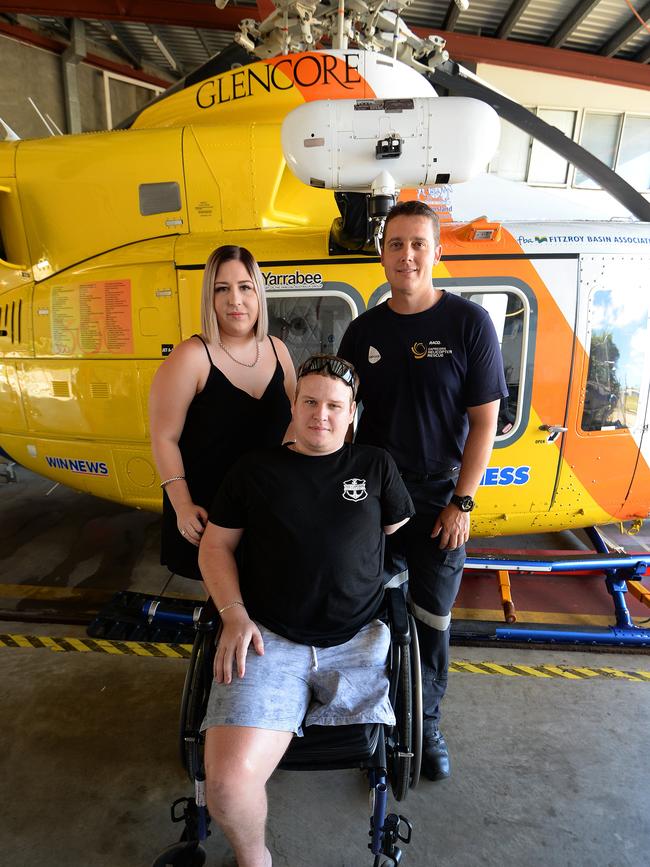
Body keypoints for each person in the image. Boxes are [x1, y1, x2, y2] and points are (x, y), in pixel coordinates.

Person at [198, 355, 414, 867]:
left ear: (352, 413)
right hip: (269, 638)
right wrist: (232, 612)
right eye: (310, 402)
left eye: (334, 406)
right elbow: (215, 547)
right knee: (226, 785)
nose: (322, 414)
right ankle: (255, 859)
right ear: (292, 408)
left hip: (357, 641)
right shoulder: (254, 470)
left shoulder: (375, 465)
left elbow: (392, 531)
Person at [338, 200, 508, 782]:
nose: (406, 255)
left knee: (431, 617)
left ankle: (425, 721)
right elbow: (339, 413)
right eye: (395, 244)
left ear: (437, 252)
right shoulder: (363, 331)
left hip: (440, 498)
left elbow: (484, 421)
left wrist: (463, 502)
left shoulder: (468, 324)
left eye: (418, 244)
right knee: (367, 614)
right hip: (374, 497)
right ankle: (371, 721)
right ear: (382, 254)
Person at [149, 245, 296, 581]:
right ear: (209, 298)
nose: (235, 300)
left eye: (245, 287)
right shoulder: (191, 357)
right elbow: (163, 437)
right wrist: (182, 506)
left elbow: (294, 424)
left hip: (265, 509)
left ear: (258, 293)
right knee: (226, 616)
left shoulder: (278, 350)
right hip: (209, 514)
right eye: (222, 289)